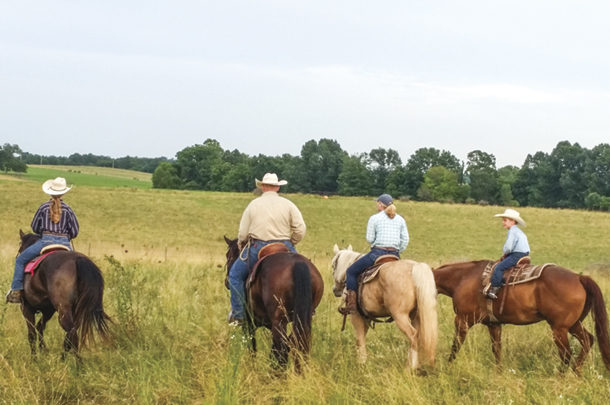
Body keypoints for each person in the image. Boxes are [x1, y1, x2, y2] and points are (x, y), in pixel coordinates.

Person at [227, 173, 306, 324]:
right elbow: (300, 229)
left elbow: (243, 233)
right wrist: (292, 242)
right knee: (303, 271)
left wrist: (241, 244)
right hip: (284, 245)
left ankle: (239, 316)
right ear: (277, 187)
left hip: (258, 246)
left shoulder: (253, 205)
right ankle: (308, 308)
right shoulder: (289, 204)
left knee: (235, 276)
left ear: (263, 187)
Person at [6, 177, 79, 304]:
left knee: (20, 260)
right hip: (65, 244)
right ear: (63, 193)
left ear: (50, 192)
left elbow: (35, 227)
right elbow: (75, 231)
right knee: (77, 265)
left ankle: (17, 291)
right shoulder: (68, 209)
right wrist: (66, 235)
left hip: (45, 242)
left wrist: (44, 232)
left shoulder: (43, 207)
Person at [339, 193, 409, 315]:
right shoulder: (400, 219)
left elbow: (370, 239)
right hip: (394, 255)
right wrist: (397, 251)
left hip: (377, 253)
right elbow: (405, 240)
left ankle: (352, 304)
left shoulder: (374, 218)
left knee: (351, 271)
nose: (377, 205)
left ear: (381, 204)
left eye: (378, 203)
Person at [486, 208, 530, 300]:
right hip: (525, 254)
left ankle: (494, 289)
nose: (503, 222)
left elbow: (509, 247)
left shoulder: (512, 231)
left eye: (505, 220)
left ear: (512, 221)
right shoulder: (519, 231)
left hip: (516, 255)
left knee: (499, 267)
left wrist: (505, 253)